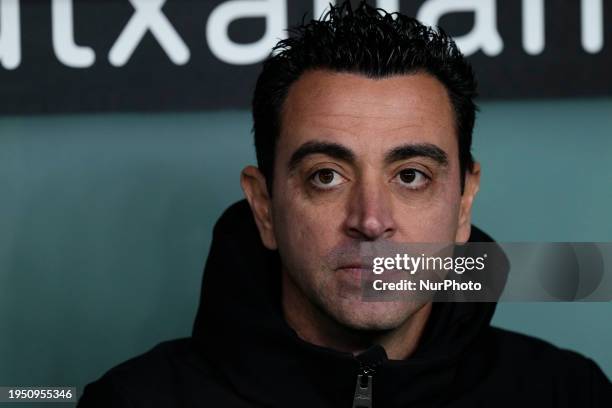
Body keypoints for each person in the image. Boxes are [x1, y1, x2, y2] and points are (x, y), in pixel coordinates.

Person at [78, 2, 612, 407]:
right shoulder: (134, 400)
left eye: (411, 175)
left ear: (464, 199)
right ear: (264, 206)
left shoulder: (567, 393)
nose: (371, 220)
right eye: (327, 176)